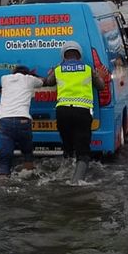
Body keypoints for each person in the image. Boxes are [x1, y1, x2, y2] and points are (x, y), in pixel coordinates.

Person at [44, 41, 105, 182]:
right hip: (82, 112)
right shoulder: (87, 69)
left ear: (63, 56)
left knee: (68, 146)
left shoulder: (58, 69)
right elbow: (101, 87)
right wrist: (100, 76)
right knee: (83, 151)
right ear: (79, 55)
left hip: (62, 112)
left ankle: (64, 173)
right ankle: (76, 183)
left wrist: (50, 73)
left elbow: (49, 81)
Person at [0, 65, 44, 178]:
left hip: (4, 120)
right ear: (27, 74)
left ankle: (2, 177)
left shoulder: (4, 79)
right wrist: (33, 75)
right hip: (23, 120)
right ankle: (28, 172)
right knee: (27, 152)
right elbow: (42, 82)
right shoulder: (29, 79)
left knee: (5, 155)